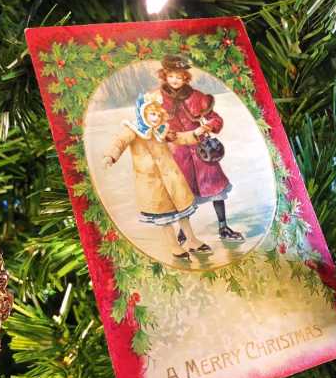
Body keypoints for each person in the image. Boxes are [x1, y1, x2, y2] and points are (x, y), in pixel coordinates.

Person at [103, 92, 212, 261]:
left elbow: (180, 137)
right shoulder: (133, 130)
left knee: (183, 212)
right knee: (164, 218)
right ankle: (173, 245)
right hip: (152, 182)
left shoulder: (162, 130)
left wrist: (196, 133)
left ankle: (191, 240)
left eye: (158, 114)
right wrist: (111, 156)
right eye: (152, 114)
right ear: (144, 113)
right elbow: (120, 142)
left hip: (171, 177)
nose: (155, 118)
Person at [157, 54, 244, 243]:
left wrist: (208, 126)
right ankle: (183, 232)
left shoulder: (196, 96)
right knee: (182, 193)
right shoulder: (158, 99)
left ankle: (223, 227)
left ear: (185, 78)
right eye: (171, 76)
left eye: (179, 77)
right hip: (178, 152)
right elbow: (154, 124)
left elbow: (215, 118)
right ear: (165, 75)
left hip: (202, 152)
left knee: (215, 188)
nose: (175, 80)